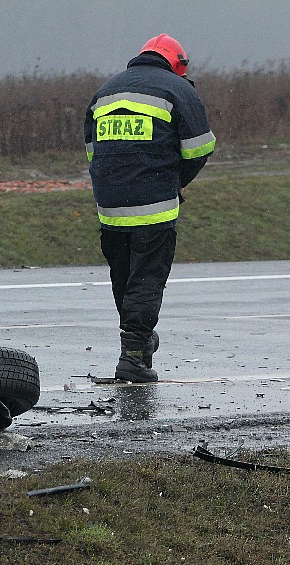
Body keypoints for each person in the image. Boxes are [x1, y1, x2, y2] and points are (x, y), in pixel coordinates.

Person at [84, 34, 215, 382]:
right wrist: (176, 180)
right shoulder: (177, 90)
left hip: (109, 206)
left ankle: (136, 341)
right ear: (177, 64)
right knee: (145, 279)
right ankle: (134, 357)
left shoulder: (106, 90)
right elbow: (200, 147)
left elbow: (92, 151)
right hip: (154, 204)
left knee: (124, 277)